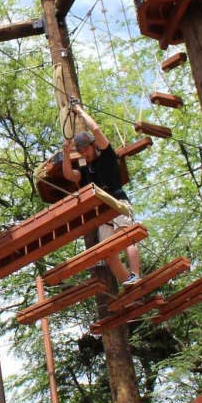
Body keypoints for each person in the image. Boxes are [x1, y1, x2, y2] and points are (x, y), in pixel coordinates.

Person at [57, 105, 142, 285]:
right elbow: (69, 175)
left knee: (126, 236)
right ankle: (128, 282)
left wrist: (79, 111)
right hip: (103, 212)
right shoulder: (84, 168)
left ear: (93, 146)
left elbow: (95, 129)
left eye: (86, 149)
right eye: (80, 152)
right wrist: (66, 154)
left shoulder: (106, 155)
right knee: (108, 253)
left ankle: (136, 274)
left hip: (118, 201)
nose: (84, 154)